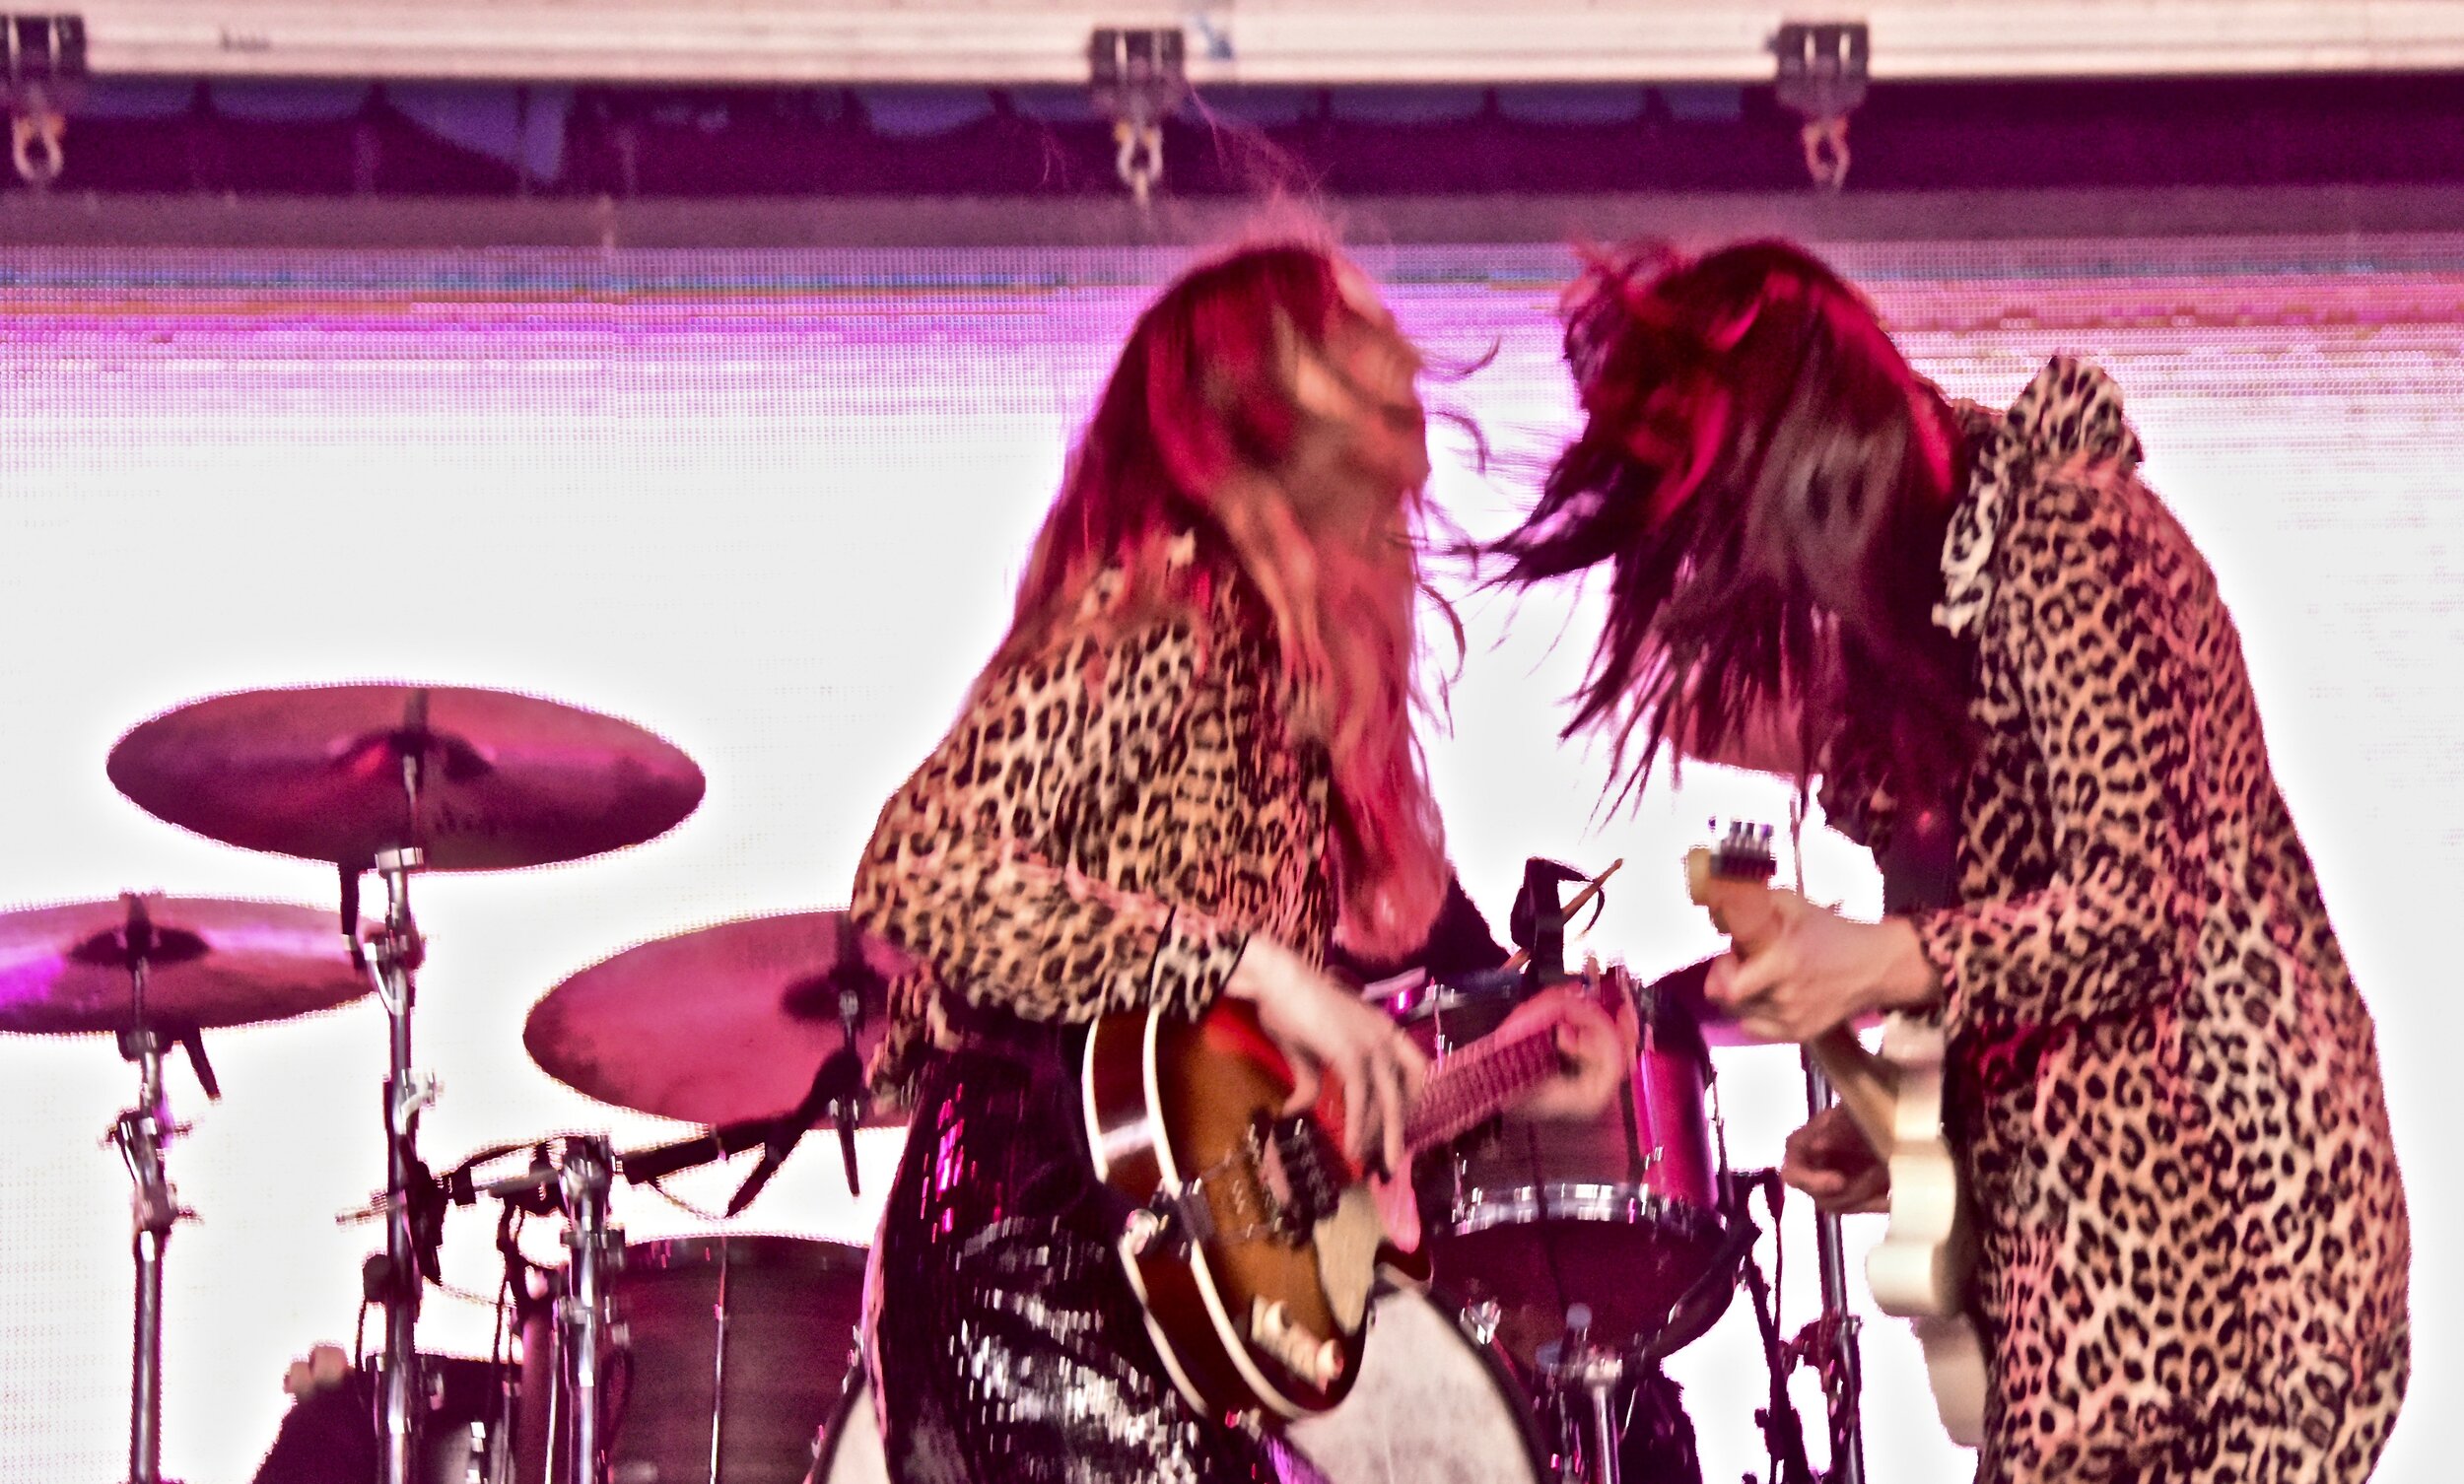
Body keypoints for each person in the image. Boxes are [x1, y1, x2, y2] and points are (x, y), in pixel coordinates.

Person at [1485, 238, 2410, 1484]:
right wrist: (1919, 1129)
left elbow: (2142, 912)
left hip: (2236, 1271)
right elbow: (2018, 967)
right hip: (2089, 1295)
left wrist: (1878, 959)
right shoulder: (1921, 659)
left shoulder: (2070, 541)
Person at [847, 241, 1626, 1484]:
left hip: (1172, 1294)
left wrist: (1508, 1071)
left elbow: (1267, 1122)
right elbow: (920, 868)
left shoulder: (1284, 714)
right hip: (1040, 1243)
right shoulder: (1166, 603)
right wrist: (1257, 971)